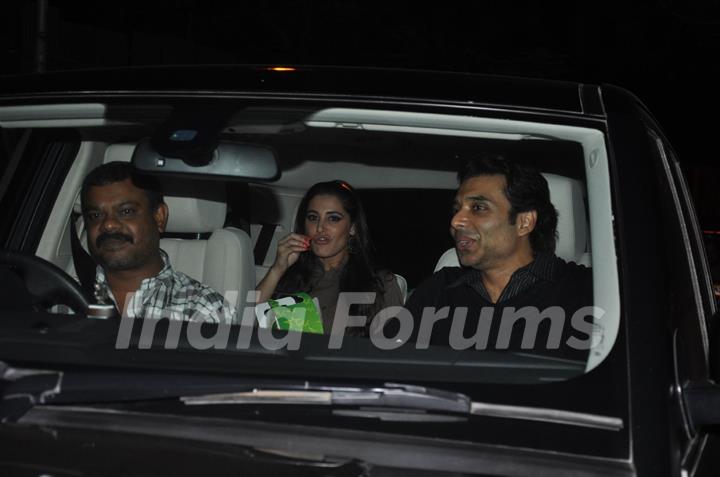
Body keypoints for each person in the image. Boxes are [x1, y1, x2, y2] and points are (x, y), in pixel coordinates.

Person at [403, 154, 593, 358]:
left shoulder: (587, 291)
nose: (456, 221)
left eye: (478, 208)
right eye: (457, 209)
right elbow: (388, 367)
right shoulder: (438, 291)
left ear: (524, 222)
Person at [80, 161, 235, 324]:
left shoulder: (205, 310)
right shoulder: (64, 297)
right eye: (95, 216)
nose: (108, 224)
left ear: (159, 217)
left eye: (126, 211)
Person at [256, 180, 404, 335]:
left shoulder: (379, 283)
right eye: (313, 218)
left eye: (333, 218)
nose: (320, 227)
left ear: (352, 227)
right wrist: (277, 269)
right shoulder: (290, 277)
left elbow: (392, 351)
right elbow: (243, 329)